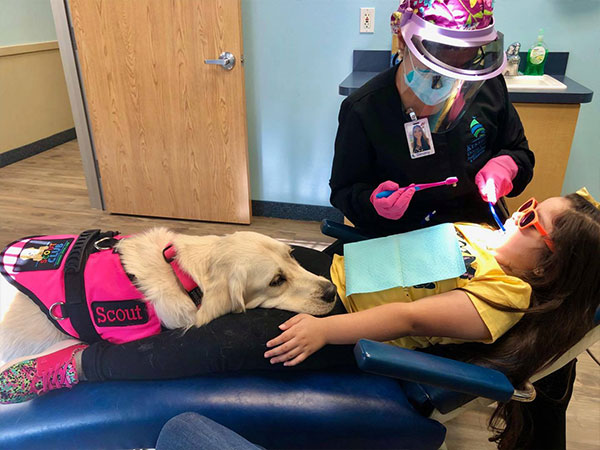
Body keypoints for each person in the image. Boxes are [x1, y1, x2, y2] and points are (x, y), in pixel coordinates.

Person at [1, 189, 599, 450]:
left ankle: (86, 365)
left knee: (220, 342)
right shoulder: (486, 240)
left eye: (532, 223)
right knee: (242, 259)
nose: (517, 217)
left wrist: (322, 330)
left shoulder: (504, 297)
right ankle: (126, 293)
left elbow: (407, 315)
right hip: (342, 274)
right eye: (526, 207)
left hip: (348, 325)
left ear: (552, 267)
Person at [330, 0, 534, 234]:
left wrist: (509, 165)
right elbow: (343, 191)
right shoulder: (364, 109)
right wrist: (372, 202)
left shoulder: (489, 87)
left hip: (474, 229)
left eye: (466, 64)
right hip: (401, 236)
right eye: (436, 68)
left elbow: (519, 152)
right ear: (404, 42)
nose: (453, 82)